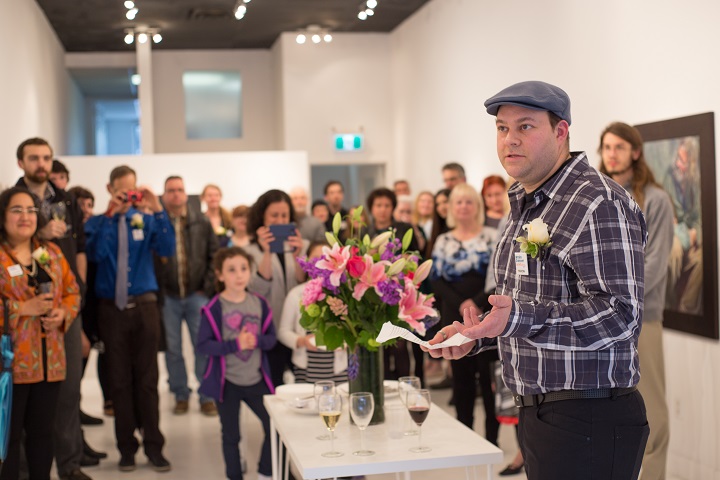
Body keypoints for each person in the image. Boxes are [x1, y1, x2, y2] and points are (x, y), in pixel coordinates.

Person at [425, 81, 649, 480]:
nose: (510, 139)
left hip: (588, 416)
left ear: (561, 131)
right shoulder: (523, 202)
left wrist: (517, 319)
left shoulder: (597, 202)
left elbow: (619, 314)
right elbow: (521, 307)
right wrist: (478, 335)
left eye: (525, 127)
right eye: (502, 128)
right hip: (539, 412)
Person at [15, 137, 96, 480]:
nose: (41, 164)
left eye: (46, 157)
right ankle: (24, 469)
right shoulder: (13, 201)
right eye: (34, 158)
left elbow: (78, 248)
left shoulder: (65, 200)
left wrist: (79, 289)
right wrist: (41, 232)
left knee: (69, 389)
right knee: (26, 393)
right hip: (26, 306)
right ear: (21, 162)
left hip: (66, 301)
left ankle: (70, 464)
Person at [84, 165, 175, 472]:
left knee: (148, 381)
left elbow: (166, 248)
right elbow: (95, 254)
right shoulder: (99, 222)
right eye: (123, 191)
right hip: (111, 310)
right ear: (110, 190)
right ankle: (126, 448)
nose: (129, 196)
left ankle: (154, 446)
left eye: (133, 190)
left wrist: (157, 207)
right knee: (119, 382)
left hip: (145, 307)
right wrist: (111, 215)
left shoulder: (146, 220)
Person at [599, 122, 674, 480]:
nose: (610, 154)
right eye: (606, 147)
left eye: (618, 147)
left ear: (635, 152)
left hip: (643, 317)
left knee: (653, 410)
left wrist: (617, 298)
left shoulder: (656, 200)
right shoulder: (597, 198)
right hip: (599, 319)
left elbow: (656, 265)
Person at [0, 187, 81, 480]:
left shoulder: (51, 252)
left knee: (42, 435)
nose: (25, 217)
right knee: (6, 441)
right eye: (16, 210)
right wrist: (21, 308)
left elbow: (72, 292)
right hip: (9, 367)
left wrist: (63, 313)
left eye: (31, 211)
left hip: (50, 363)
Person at [197, 247, 275, 480]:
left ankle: (265, 472)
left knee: (274, 426)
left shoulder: (259, 304)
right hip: (227, 384)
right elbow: (202, 346)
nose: (239, 275)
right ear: (220, 275)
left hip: (256, 380)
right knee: (231, 436)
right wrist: (235, 344)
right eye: (231, 270)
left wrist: (256, 341)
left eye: (243, 269)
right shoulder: (214, 308)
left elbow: (271, 339)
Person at [428, 183, 498, 443]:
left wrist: (476, 301)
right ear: (451, 208)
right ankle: (465, 436)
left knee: (489, 378)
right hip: (453, 314)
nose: (464, 207)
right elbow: (436, 280)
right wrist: (462, 303)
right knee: (461, 378)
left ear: (477, 206)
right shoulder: (443, 239)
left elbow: (499, 275)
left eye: (469, 202)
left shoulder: (492, 235)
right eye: (459, 202)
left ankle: (492, 437)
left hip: (487, 311)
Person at [159, 176, 219, 416]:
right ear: (164, 195)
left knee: (202, 346)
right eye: (171, 190)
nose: (175, 194)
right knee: (172, 349)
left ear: (186, 194)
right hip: (169, 297)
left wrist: (207, 286)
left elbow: (214, 255)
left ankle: (206, 396)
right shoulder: (158, 222)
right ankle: (180, 394)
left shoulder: (201, 222)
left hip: (197, 295)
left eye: (180, 190)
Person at [245, 189, 307, 388]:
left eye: (284, 215)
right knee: (273, 383)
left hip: (297, 328)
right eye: (274, 215)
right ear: (262, 216)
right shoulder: (251, 250)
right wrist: (267, 253)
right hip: (269, 327)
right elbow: (257, 290)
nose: (280, 221)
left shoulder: (301, 245)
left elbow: (302, 286)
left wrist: (298, 256)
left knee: (302, 383)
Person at [278, 241, 348, 384]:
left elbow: (355, 329)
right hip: (306, 369)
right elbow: (283, 331)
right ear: (308, 262)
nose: (321, 263)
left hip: (340, 369)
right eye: (316, 258)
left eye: (327, 258)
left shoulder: (344, 294)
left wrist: (346, 343)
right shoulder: (296, 294)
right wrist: (301, 341)